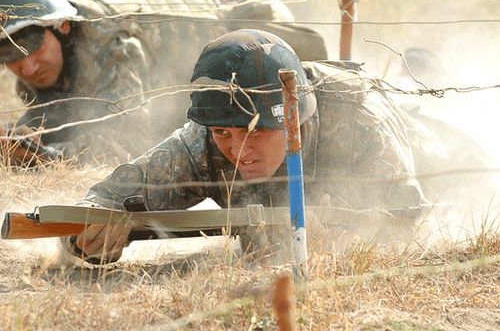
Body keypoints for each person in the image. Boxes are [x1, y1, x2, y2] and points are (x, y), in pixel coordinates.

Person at [62, 29, 428, 265]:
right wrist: (87, 235)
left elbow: (407, 222)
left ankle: (423, 66)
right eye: (224, 133)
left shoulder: (359, 117)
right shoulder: (206, 137)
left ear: (293, 120)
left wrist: (346, 239)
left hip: (421, 135)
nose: (238, 151)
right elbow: (111, 197)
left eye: (255, 133)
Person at [0, 0, 328, 163]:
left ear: (61, 26)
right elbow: (61, 118)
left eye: (32, 49)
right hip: (208, 5)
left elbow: (127, 139)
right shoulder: (44, 45)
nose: (27, 68)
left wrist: (48, 156)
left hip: (242, 6)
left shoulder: (112, 39)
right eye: (10, 57)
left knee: (300, 79)